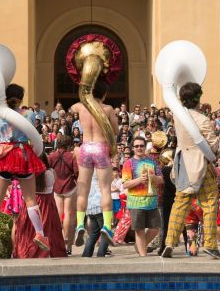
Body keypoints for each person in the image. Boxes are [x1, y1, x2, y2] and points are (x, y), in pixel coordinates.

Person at [0, 84, 50, 253]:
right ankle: (40, 233)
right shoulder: (29, 114)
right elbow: (33, 135)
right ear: (21, 98)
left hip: (4, 156)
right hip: (23, 155)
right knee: (30, 199)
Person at [162, 82, 220, 259]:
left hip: (183, 165)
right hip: (201, 165)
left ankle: (169, 243)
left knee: (179, 204)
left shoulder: (177, 116)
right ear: (199, 98)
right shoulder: (203, 119)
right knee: (210, 204)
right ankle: (210, 244)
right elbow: (212, 146)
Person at [71, 79, 119, 246]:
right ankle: (106, 225)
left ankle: (79, 225)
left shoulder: (81, 107)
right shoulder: (107, 109)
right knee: (105, 189)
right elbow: (115, 130)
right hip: (101, 148)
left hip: (85, 148)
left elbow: (72, 107)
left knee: (82, 190)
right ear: (105, 94)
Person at [13, 153, 67, 258]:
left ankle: (26, 251)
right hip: (47, 202)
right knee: (49, 228)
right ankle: (48, 252)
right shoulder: (51, 172)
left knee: (27, 228)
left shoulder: (31, 173)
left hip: (31, 201)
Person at [122, 137, 163, 256]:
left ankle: (140, 246)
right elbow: (125, 184)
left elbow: (161, 179)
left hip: (152, 202)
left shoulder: (152, 162)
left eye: (141, 145)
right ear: (133, 148)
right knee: (139, 230)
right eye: (136, 146)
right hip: (136, 202)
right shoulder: (128, 163)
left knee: (155, 229)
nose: (139, 148)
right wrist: (140, 180)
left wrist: (153, 178)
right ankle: (143, 256)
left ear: (145, 147)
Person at [49, 134, 79, 254]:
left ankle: (58, 241)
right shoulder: (71, 156)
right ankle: (66, 239)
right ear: (68, 145)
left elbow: (48, 169)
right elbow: (76, 172)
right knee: (68, 215)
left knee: (58, 215)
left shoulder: (52, 156)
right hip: (69, 186)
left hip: (56, 187)